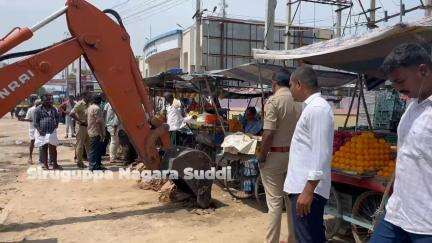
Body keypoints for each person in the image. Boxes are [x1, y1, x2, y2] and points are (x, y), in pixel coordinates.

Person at [369, 43, 432, 242]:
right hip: (397, 213)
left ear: (422, 70)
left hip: (426, 224)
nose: (398, 89)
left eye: (400, 81)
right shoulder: (413, 106)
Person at [283, 66, 333, 243]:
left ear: (298, 84)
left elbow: (322, 152)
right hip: (302, 187)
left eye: (290, 85)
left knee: (308, 238)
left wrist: (308, 190)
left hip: (307, 189)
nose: (289, 90)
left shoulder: (318, 109)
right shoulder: (311, 108)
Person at [257, 70, 302, 243]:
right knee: (290, 201)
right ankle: (292, 238)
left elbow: (268, 134)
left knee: (275, 204)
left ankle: (272, 241)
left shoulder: (274, 101)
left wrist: (261, 157)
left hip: (274, 156)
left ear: (274, 83)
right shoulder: (298, 101)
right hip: (293, 156)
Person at [33, 93, 62, 170]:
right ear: (43, 101)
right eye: (48, 100)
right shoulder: (38, 109)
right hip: (42, 132)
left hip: (52, 131)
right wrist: (39, 130)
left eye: (50, 100)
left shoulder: (53, 109)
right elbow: (35, 122)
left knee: (53, 148)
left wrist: (57, 124)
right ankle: (46, 165)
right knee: (44, 148)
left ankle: (55, 164)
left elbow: (57, 117)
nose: (50, 101)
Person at [70, 92, 91, 168]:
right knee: (80, 145)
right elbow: (71, 113)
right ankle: (79, 162)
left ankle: (91, 161)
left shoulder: (89, 104)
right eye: (89, 96)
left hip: (88, 127)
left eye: (90, 96)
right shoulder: (79, 104)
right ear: (84, 96)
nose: (90, 97)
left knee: (88, 145)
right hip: (81, 127)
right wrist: (79, 120)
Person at [86, 95, 106, 171]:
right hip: (96, 131)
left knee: (95, 150)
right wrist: (102, 133)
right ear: (100, 101)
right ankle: (93, 166)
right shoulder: (97, 109)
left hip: (91, 130)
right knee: (95, 150)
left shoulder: (90, 108)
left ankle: (96, 165)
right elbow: (98, 121)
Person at [19, 98, 41, 164]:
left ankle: (38, 158)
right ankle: (31, 157)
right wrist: (25, 120)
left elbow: (27, 119)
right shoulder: (32, 109)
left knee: (39, 143)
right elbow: (28, 119)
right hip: (34, 128)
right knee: (34, 142)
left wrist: (24, 119)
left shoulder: (34, 109)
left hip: (37, 128)